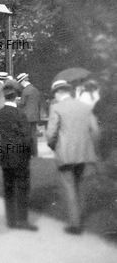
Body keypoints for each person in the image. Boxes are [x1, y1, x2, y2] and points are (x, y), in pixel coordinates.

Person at [46, 79, 100, 235]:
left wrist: (53, 146)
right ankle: (79, 219)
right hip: (83, 153)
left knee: (69, 187)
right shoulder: (85, 107)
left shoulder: (56, 107)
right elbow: (95, 130)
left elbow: (51, 134)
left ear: (57, 93)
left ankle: (75, 225)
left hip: (65, 154)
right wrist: (92, 149)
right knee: (79, 185)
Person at [0, 80, 36, 231]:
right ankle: (22, 220)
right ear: (17, 96)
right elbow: (27, 137)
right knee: (22, 188)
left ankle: (11, 220)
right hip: (20, 155)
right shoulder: (20, 114)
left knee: (9, 187)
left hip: (6, 153)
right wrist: (29, 151)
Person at [17, 73, 42, 157]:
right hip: (35, 115)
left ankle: (27, 152)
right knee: (33, 135)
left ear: (23, 81)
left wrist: (17, 101)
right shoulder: (35, 89)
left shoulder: (25, 90)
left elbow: (22, 103)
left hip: (27, 116)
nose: (21, 84)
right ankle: (35, 153)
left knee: (27, 135)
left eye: (20, 82)